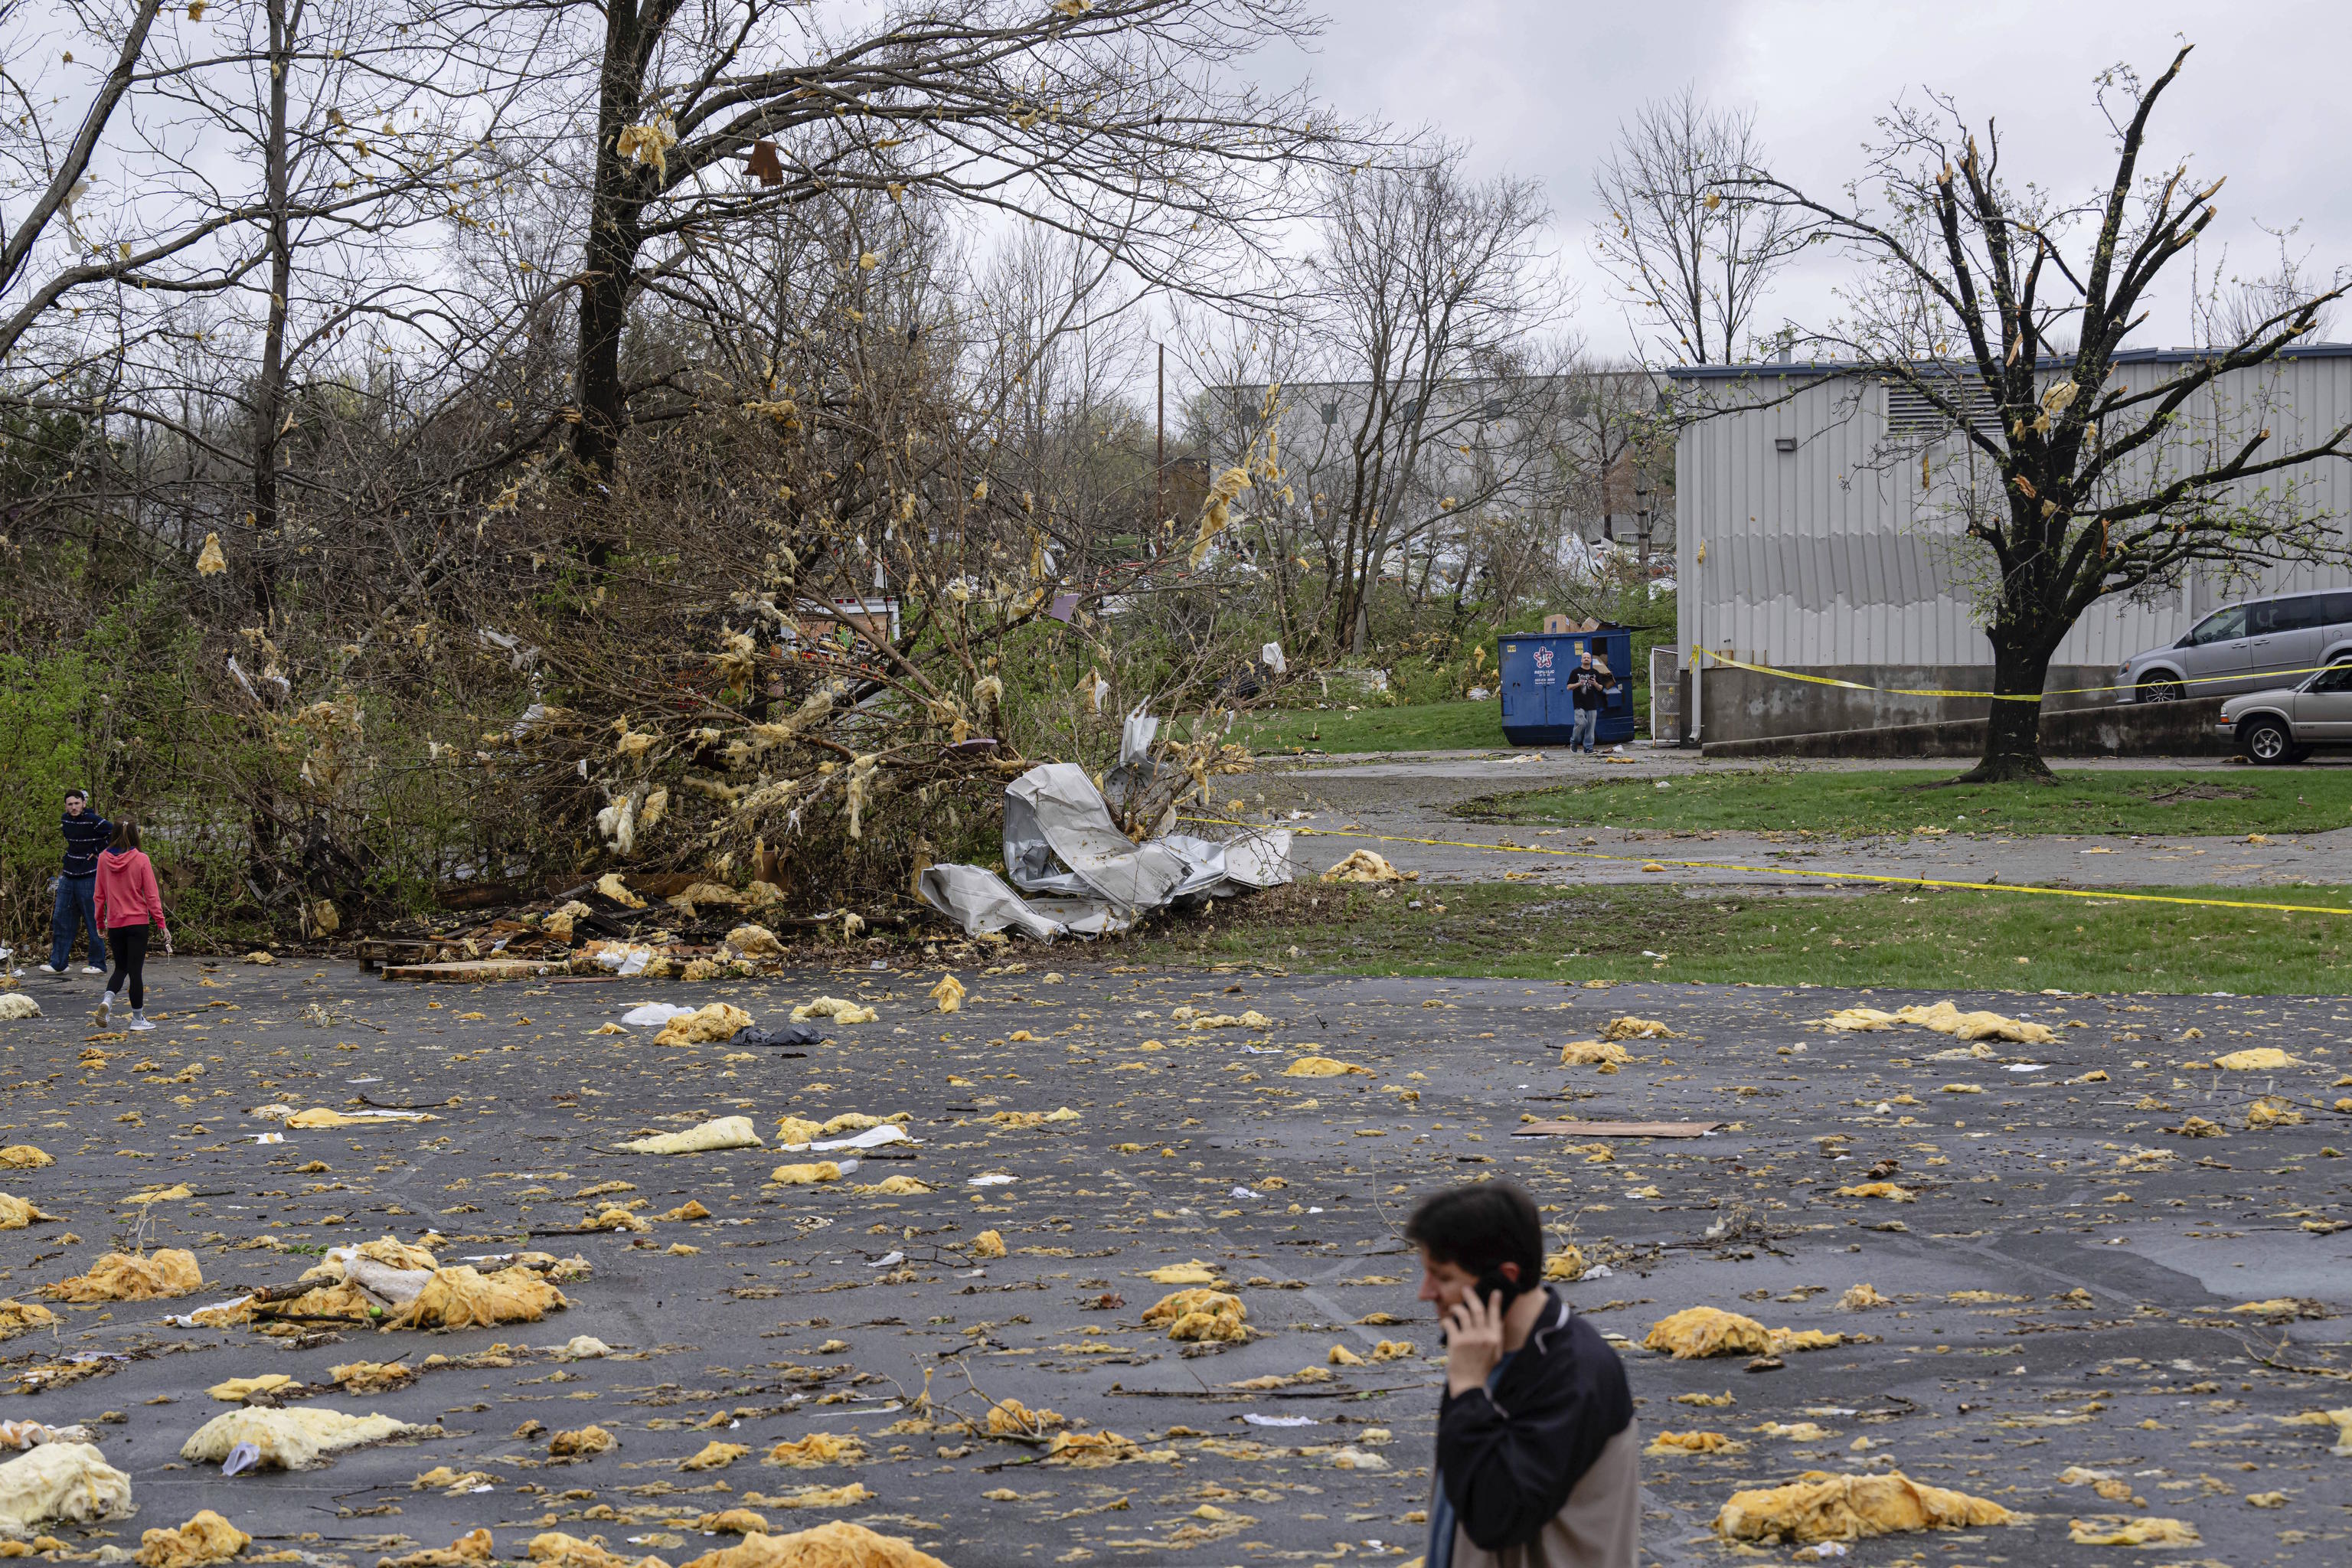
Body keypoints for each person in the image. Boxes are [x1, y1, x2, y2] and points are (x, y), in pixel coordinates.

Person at [1407, 1182, 1638, 1568]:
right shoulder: (1482, 1351)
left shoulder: (1574, 1373)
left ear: (1505, 1279)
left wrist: (1467, 1391)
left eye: (1443, 1277)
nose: (1425, 1293)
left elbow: (1494, 1517)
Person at [93, 822, 168, 1031]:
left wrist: (100, 923)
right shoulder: (142, 859)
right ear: (136, 834)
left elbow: (98, 896)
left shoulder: (103, 859)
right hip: (137, 922)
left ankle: (107, 1000)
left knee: (120, 967)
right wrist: (161, 923)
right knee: (135, 971)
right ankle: (137, 1019)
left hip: (116, 923)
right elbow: (152, 896)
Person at [42, 787, 112, 975]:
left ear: (84, 803)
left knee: (93, 919)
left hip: (89, 876)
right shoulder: (65, 820)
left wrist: (97, 850)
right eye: (70, 804)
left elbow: (116, 833)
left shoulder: (94, 820)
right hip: (68, 875)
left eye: (77, 803)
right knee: (61, 918)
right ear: (65, 806)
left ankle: (97, 963)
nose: (74, 807)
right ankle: (58, 963)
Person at [1566, 653, 1616, 755]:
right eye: (1584, 658)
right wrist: (1579, 684)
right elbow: (1568, 687)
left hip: (1592, 703)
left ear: (1591, 660)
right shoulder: (1575, 672)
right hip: (1579, 703)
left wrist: (1595, 684)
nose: (1586, 659)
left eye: (1588, 658)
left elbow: (1601, 688)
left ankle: (1588, 748)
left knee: (1590, 726)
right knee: (1581, 723)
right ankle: (1574, 742)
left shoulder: (1595, 672)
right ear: (1581, 660)